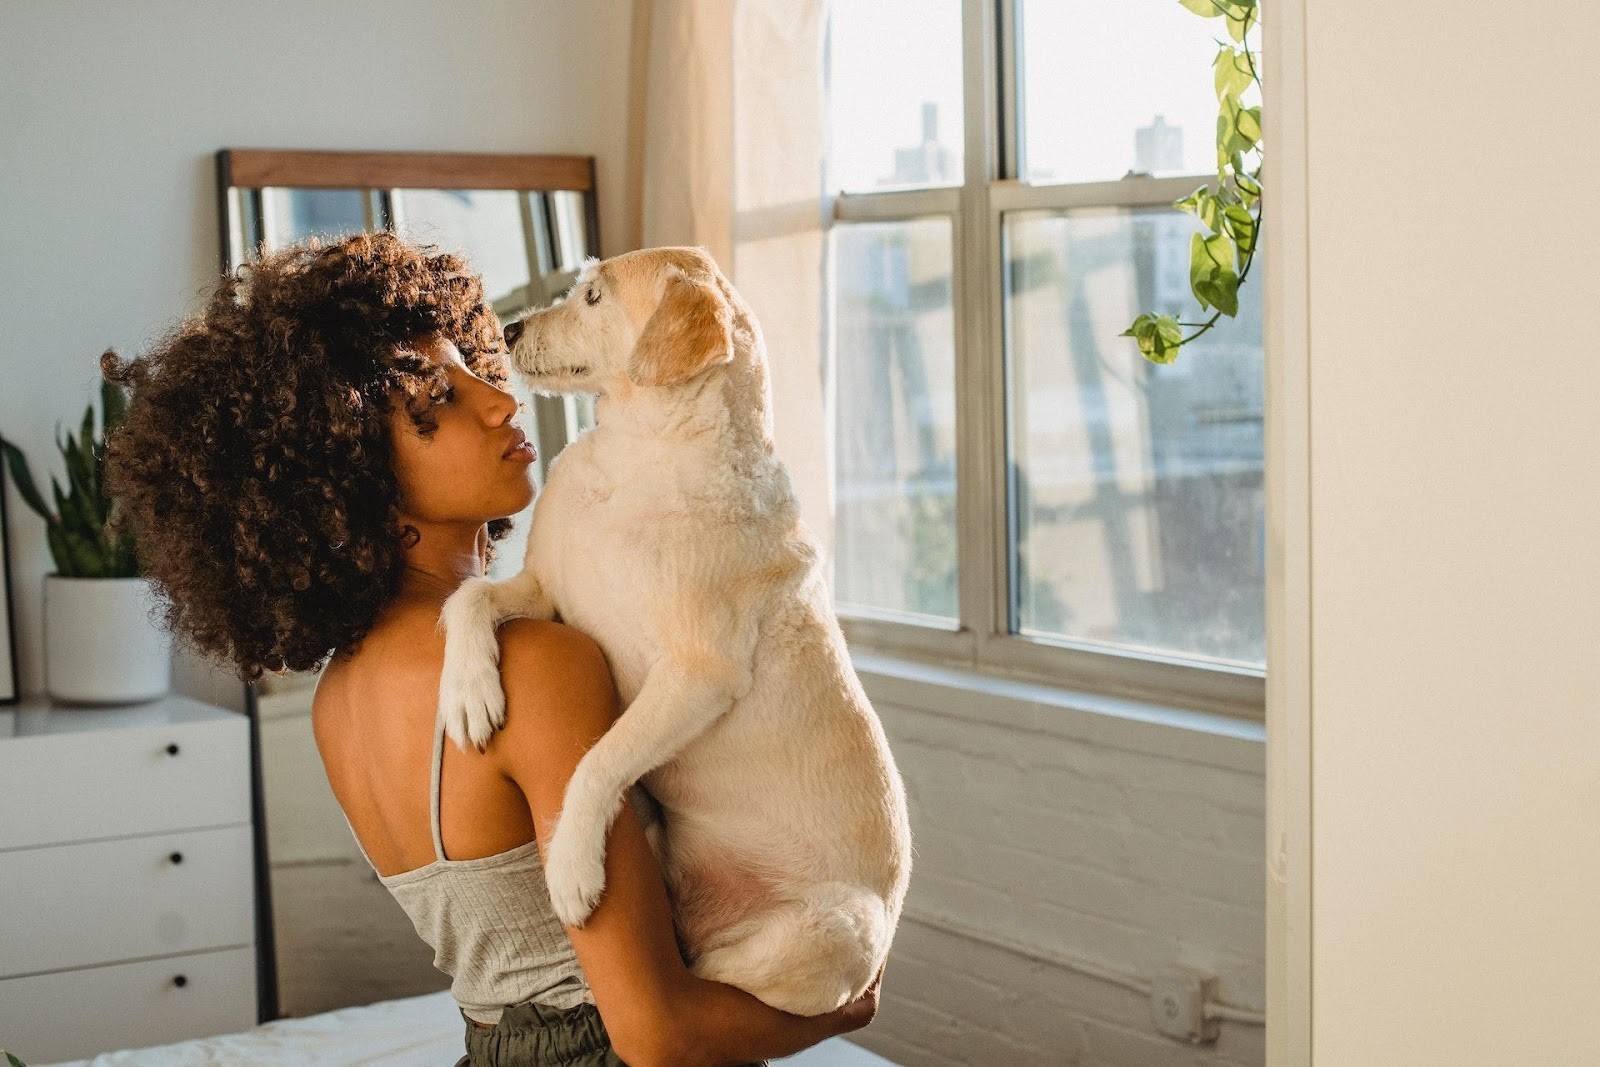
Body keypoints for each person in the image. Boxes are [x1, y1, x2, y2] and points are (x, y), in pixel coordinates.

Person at [104, 231, 880, 1067]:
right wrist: (838, 1016)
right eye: (438, 401)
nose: (501, 399)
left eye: (473, 368)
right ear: (354, 472)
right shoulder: (537, 666)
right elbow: (656, 1034)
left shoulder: (338, 700)